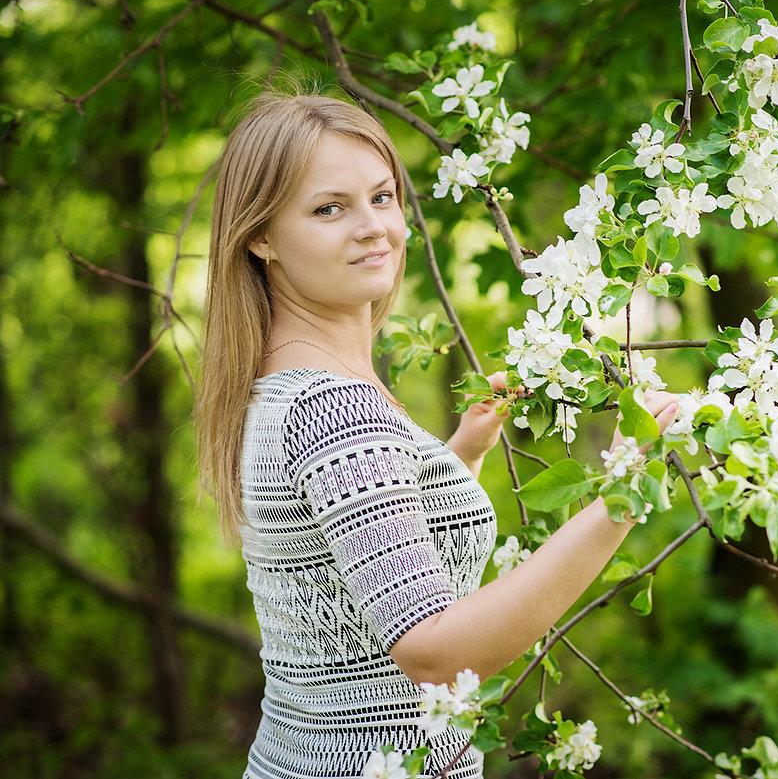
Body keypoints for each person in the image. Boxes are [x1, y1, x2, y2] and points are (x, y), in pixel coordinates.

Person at [194, 91, 679, 779]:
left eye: (383, 196)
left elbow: (360, 567)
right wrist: (624, 492)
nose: (373, 228)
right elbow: (433, 652)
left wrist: (456, 461)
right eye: (329, 208)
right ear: (262, 235)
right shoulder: (338, 409)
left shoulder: (287, 386)